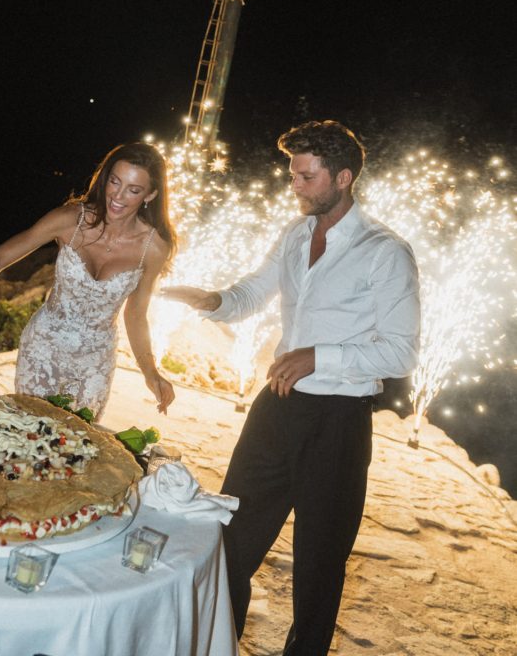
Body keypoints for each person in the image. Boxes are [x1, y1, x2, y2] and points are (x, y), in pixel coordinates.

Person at [164, 120, 420, 656]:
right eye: (292, 175)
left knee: (318, 567)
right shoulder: (295, 234)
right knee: (229, 543)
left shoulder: (385, 252)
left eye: (306, 176)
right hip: (276, 411)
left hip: (339, 423)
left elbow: (401, 353)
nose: (295, 186)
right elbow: (254, 293)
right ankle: (217, 647)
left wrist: (317, 356)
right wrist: (212, 301)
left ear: (343, 177)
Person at [0, 142, 176, 421]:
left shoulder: (153, 248)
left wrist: (150, 372)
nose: (117, 197)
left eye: (133, 190)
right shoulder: (70, 220)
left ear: (150, 195)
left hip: (95, 360)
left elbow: (136, 314)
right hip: (44, 346)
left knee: (76, 442)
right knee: (29, 429)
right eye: (114, 182)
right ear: (105, 178)